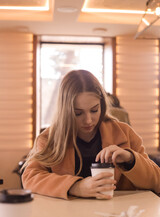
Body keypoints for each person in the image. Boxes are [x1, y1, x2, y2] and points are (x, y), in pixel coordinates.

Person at [22, 69, 160, 200]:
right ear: (65, 111)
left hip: (118, 216)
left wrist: (130, 159)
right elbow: (30, 178)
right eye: (78, 113)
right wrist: (75, 187)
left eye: (94, 110)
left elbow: (157, 181)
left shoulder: (125, 133)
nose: (88, 120)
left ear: (102, 105)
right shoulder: (48, 139)